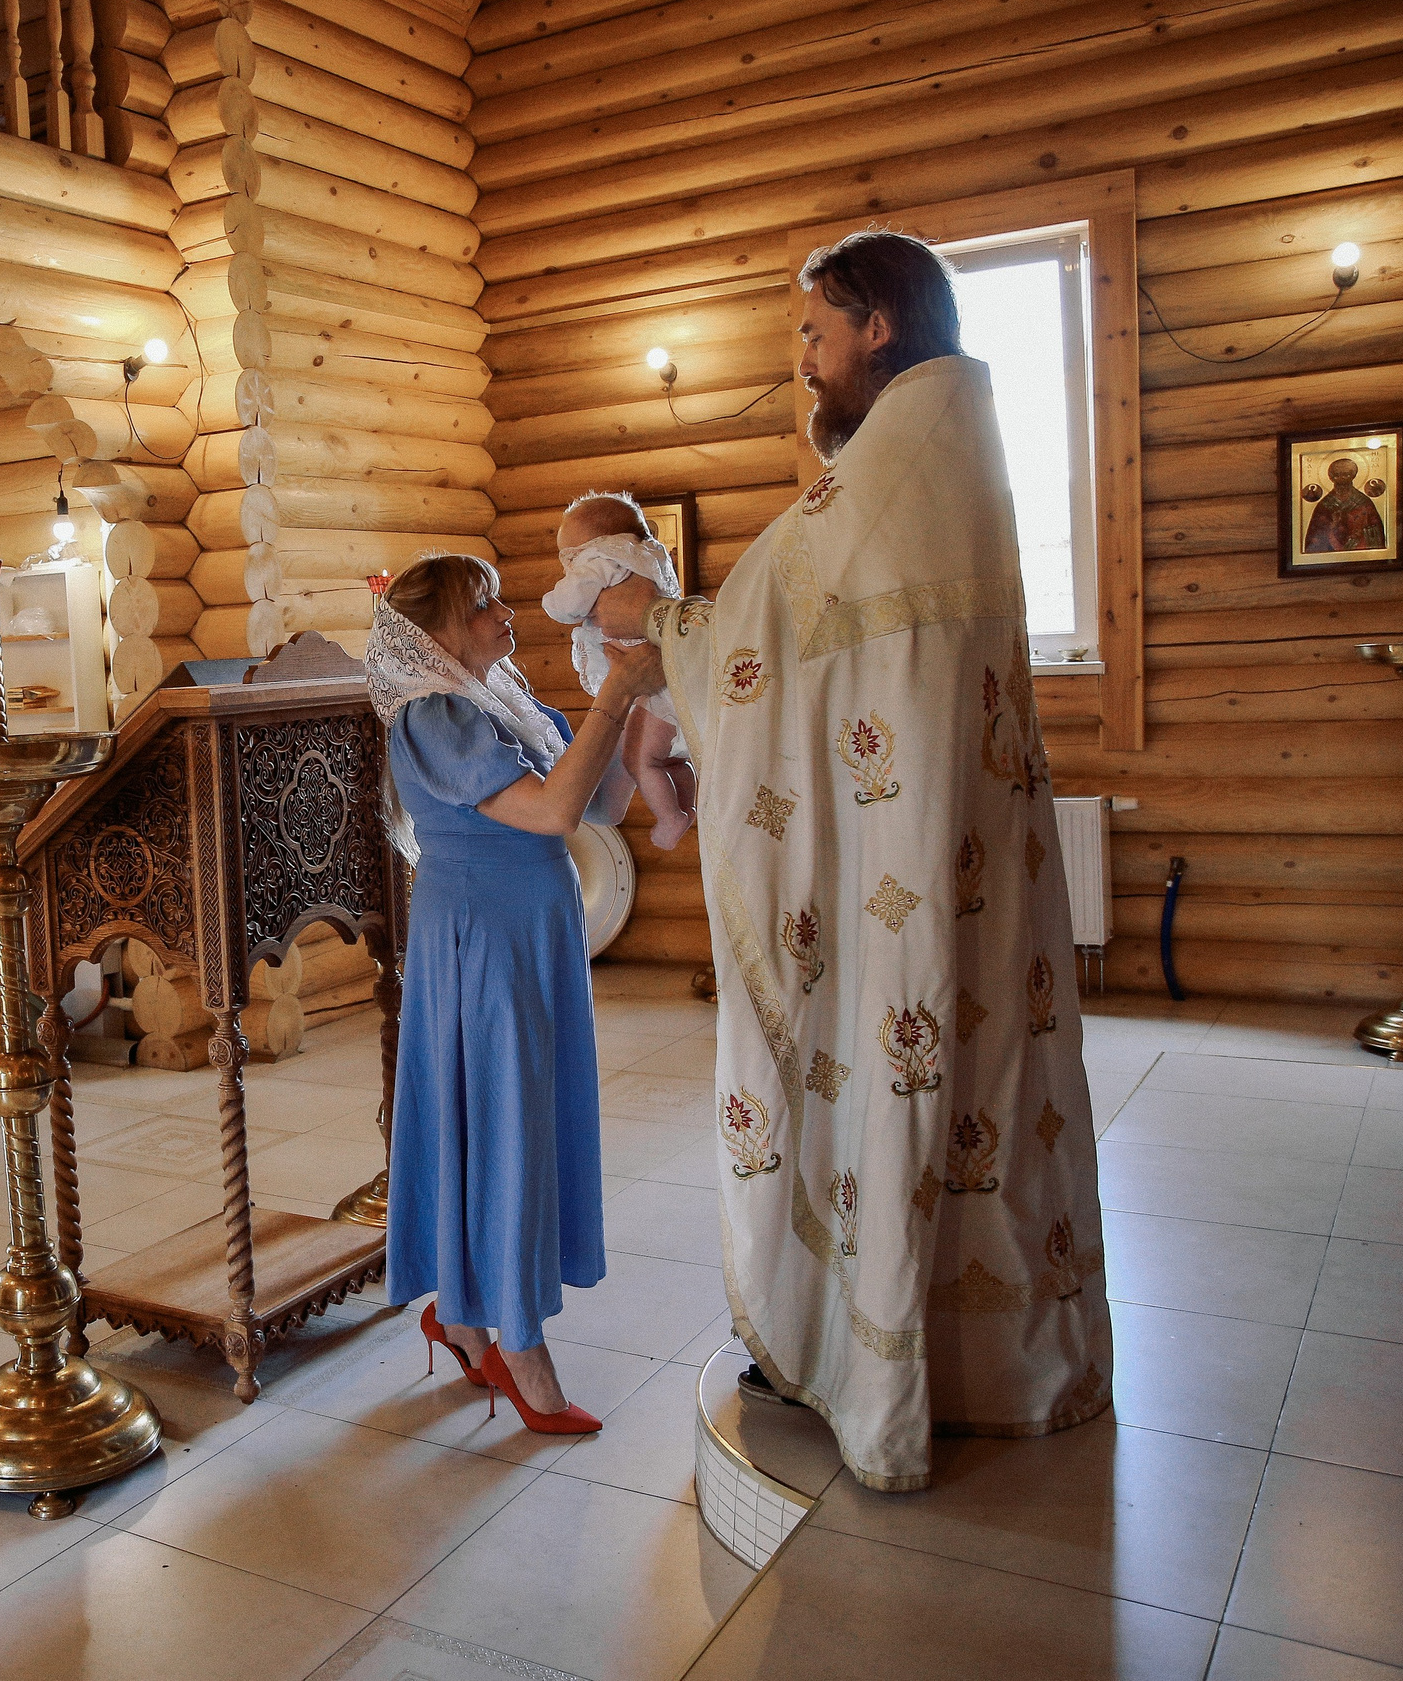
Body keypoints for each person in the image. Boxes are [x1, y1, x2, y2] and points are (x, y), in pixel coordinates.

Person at [595, 228, 1111, 1492]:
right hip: (941, 852)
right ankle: (985, 1360)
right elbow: (813, 633)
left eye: (814, 339)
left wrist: (650, 624)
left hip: (900, 879)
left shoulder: (897, 457)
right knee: (970, 1076)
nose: (807, 370)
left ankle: (868, 1362)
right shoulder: (945, 443)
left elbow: (767, 619)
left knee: (889, 1061)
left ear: (877, 324)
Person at [368, 553, 662, 1434]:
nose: (506, 616)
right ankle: (518, 1346)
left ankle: (461, 1317)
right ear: (438, 634)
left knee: (519, 1114)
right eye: (483, 605)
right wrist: (616, 693)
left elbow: (599, 800)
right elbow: (549, 815)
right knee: (504, 1122)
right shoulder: (433, 714)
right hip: (484, 942)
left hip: (528, 931)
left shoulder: (500, 698)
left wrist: (634, 698)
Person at [542, 493, 698, 849]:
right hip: (670, 679)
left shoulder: (601, 559)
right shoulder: (649, 556)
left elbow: (569, 605)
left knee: (640, 759)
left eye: (567, 554)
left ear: (592, 544)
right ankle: (686, 807)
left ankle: (671, 816)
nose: (567, 563)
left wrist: (550, 601)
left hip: (650, 688)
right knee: (671, 757)